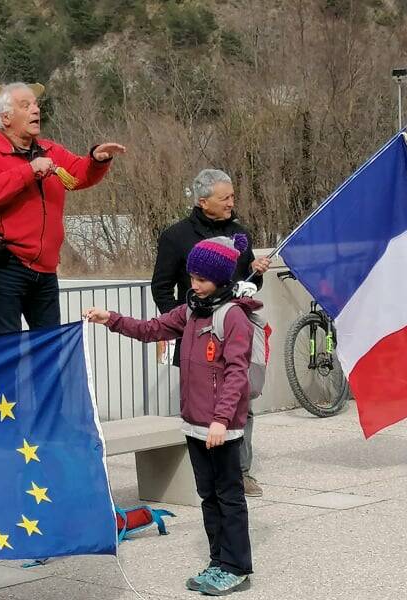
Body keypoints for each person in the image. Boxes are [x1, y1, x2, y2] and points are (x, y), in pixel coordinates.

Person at [86, 234, 257, 595]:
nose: (194, 285)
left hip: (220, 429)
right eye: (191, 277)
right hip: (195, 424)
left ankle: (237, 566)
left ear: (222, 280)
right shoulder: (191, 310)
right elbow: (151, 329)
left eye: (201, 280)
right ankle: (218, 561)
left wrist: (221, 420)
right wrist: (111, 319)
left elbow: (236, 374)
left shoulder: (233, 318)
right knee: (208, 497)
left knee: (229, 498)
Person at [0, 82, 126, 334]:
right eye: (25, 105)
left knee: (49, 347)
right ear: (6, 118)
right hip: (5, 264)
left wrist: (97, 159)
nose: (35, 110)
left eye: (36, 104)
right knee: (8, 350)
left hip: (45, 268)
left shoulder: (50, 150)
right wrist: (28, 171)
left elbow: (78, 174)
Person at [151, 168, 270, 497]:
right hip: (195, 338)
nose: (232, 202)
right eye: (225, 198)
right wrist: (185, 321)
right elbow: (160, 288)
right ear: (204, 202)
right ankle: (201, 469)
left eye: (233, 196)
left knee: (241, 400)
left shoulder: (240, 233)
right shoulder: (176, 237)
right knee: (199, 404)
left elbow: (244, 285)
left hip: (234, 331)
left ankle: (241, 471)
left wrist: (254, 274)